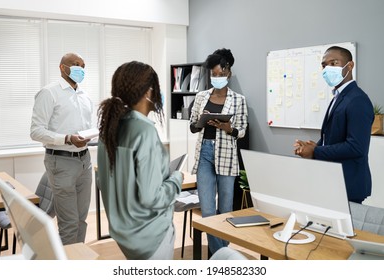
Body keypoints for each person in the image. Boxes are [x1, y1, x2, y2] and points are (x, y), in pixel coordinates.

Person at [97, 61, 182, 260]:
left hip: (124, 237)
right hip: (150, 237)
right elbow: (151, 197)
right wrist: (176, 179)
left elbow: (105, 182)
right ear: (148, 92)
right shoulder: (144, 132)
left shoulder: (108, 129)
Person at [294, 46, 374, 204]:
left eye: (334, 63)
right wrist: (309, 147)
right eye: (324, 65)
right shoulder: (338, 97)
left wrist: (316, 151)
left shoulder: (357, 99)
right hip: (333, 181)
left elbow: (356, 147)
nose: (327, 68)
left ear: (349, 66)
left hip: (348, 183)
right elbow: (331, 138)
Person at [30, 53, 93, 245]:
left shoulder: (84, 96)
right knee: (69, 224)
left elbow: (87, 128)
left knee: (81, 220)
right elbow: (36, 131)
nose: (80, 69)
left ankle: (78, 262)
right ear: (62, 67)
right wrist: (67, 138)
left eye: (83, 65)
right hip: (61, 161)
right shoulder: (49, 93)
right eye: (75, 64)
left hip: (85, 161)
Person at [190, 48, 248, 254]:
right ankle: (220, 255)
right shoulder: (201, 97)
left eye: (221, 74)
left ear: (229, 73)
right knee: (207, 210)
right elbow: (192, 127)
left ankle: (222, 254)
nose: (217, 78)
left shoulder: (238, 100)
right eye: (214, 75)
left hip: (226, 155)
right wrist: (201, 121)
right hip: (204, 153)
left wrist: (227, 128)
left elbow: (241, 131)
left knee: (225, 210)